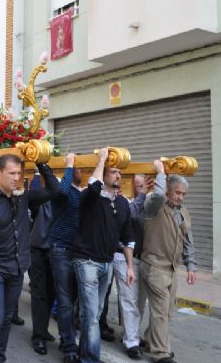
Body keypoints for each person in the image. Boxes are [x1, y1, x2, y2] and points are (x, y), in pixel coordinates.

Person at [0, 154, 59, 363]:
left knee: (7, 319)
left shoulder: (23, 196)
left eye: (19, 173)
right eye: (12, 173)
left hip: (17, 269)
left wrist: (40, 161)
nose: (17, 177)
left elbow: (54, 189)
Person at [72, 147, 135, 363]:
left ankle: (82, 354)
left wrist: (129, 266)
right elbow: (94, 186)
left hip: (107, 264)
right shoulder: (91, 197)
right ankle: (90, 359)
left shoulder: (123, 203)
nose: (118, 175)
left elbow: (127, 236)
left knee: (93, 314)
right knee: (91, 316)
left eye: (120, 172)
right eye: (113, 171)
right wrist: (101, 160)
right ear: (103, 174)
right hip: (86, 261)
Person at [140, 161, 196, 363]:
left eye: (183, 194)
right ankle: (161, 353)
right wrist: (161, 172)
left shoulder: (183, 212)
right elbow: (158, 195)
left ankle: (149, 339)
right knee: (161, 311)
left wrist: (191, 266)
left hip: (172, 269)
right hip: (154, 266)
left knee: (167, 312)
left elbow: (188, 240)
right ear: (168, 191)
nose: (180, 197)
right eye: (177, 193)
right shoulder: (155, 206)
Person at [113, 174, 152, 360]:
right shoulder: (126, 201)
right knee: (129, 300)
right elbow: (130, 216)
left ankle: (132, 335)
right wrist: (141, 195)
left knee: (139, 302)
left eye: (142, 185)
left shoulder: (148, 204)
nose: (139, 188)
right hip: (123, 257)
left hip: (142, 259)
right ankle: (131, 342)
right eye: (136, 185)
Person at [49, 153, 82, 363]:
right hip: (60, 249)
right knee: (64, 300)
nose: (82, 171)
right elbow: (61, 191)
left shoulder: (83, 192)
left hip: (78, 251)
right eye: (80, 168)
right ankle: (69, 346)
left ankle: (67, 336)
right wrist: (69, 165)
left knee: (74, 300)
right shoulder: (63, 189)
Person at [28, 170, 57, 356]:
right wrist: (38, 172)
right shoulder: (39, 198)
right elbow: (35, 189)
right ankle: (38, 335)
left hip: (55, 251)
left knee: (51, 291)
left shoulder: (60, 199)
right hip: (37, 250)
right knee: (39, 293)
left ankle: (43, 329)